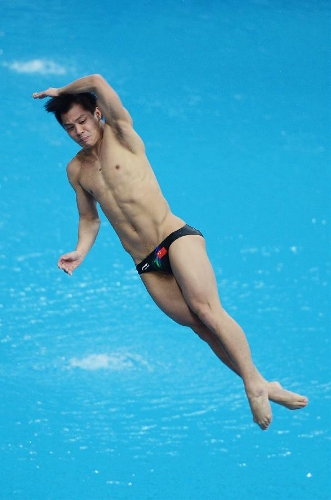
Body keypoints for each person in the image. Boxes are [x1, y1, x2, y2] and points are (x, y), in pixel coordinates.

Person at [33, 74, 308, 430]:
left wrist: (63, 90)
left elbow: (98, 81)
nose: (78, 131)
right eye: (69, 127)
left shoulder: (123, 134)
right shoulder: (76, 169)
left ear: (97, 114)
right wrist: (80, 250)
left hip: (174, 237)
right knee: (200, 328)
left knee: (208, 310)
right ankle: (265, 383)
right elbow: (89, 219)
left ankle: (254, 387)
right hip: (146, 263)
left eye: (82, 121)